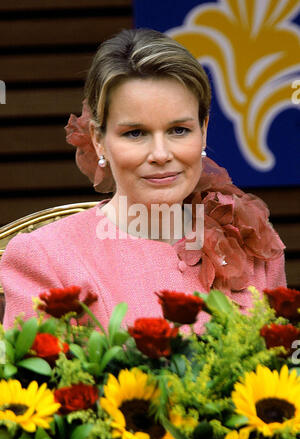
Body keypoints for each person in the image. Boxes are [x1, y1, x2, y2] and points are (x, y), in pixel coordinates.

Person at [0, 29, 286, 332]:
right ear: (98, 140)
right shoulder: (44, 257)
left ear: (203, 129)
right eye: (135, 133)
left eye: (179, 130)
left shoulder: (253, 242)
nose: (160, 154)